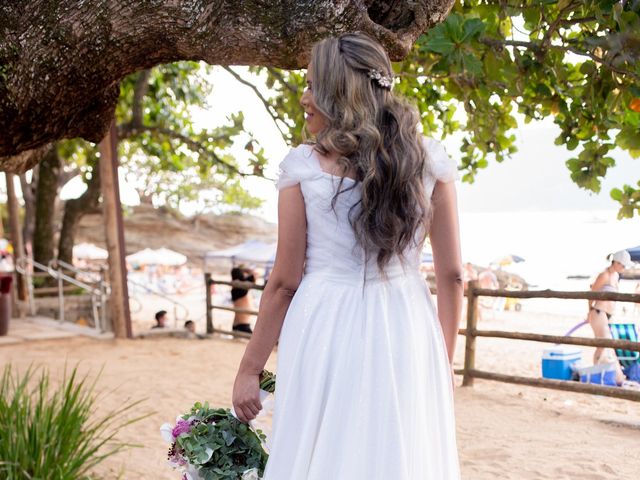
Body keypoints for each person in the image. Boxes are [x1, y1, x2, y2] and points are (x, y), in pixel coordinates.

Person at [232, 33, 461, 479]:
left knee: (320, 447)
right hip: (406, 324)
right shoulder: (430, 161)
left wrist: (249, 369)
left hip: (324, 323)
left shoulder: (303, 168)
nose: (304, 97)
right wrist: (442, 362)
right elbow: (452, 276)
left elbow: (284, 282)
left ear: (339, 94)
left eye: (313, 86)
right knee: (398, 451)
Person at [587, 249, 633, 385]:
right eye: (623, 266)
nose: (624, 268)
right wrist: (589, 311)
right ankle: (598, 374)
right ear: (617, 263)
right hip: (598, 312)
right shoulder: (604, 275)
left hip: (607, 315)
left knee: (608, 346)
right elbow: (591, 294)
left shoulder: (615, 276)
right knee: (603, 345)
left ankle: (612, 375)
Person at [230, 265, 256, 334]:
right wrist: (246, 270)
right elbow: (254, 276)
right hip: (242, 325)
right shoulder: (240, 289)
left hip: (239, 324)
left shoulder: (236, 289)